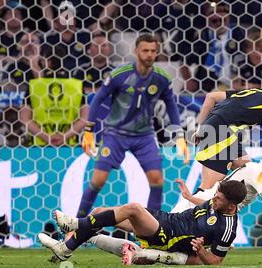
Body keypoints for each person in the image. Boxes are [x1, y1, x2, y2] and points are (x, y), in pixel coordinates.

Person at [85, 146, 262, 265]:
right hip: (197, 211)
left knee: (142, 234)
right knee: (160, 247)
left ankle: (89, 227)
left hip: (204, 209)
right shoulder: (261, 172)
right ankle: (89, 231)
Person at [78, 33, 189, 217]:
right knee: (98, 181)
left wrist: (179, 136)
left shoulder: (161, 78)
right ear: (136, 51)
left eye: (153, 51)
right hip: (115, 134)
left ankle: (152, 230)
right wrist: (89, 130)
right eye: (145, 50)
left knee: (157, 180)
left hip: (144, 136)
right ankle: (77, 224)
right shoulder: (120, 75)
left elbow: (171, 106)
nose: (149, 55)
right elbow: (98, 99)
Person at [38, 180, 248, 265]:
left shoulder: (227, 227)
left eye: (219, 198)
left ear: (231, 206)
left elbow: (216, 262)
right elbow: (207, 204)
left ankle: (76, 225)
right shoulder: (217, 202)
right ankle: (64, 251)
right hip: (165, 219)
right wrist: (189, 197)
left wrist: (201, 251)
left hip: (168, 236)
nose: (214, 199)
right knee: (100, 212)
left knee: (133, 208)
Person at [194, 77, 262, 191]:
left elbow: (211, 97)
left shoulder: (253, 92)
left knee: (246, 167)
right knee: (208, 188)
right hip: (222, 130)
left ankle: (227, 200)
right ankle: (186, 208)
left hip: (220, 128)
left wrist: (200, 128)